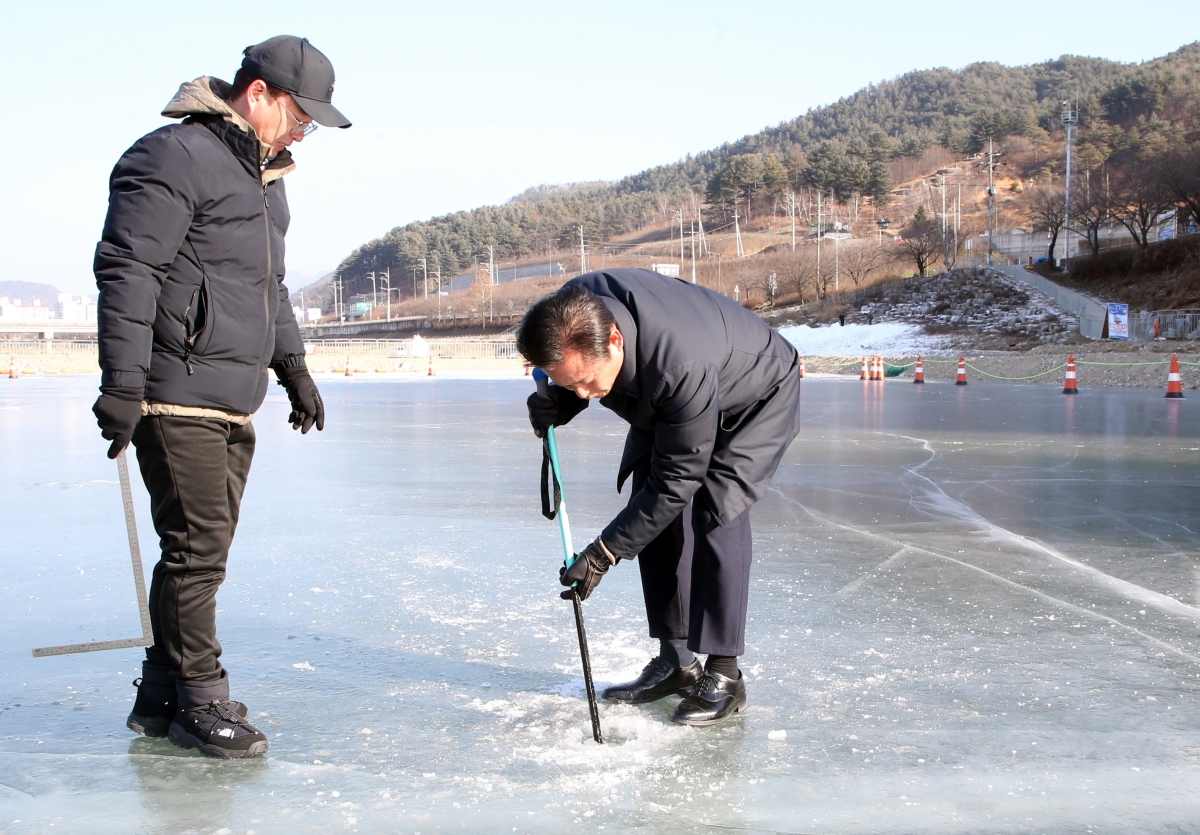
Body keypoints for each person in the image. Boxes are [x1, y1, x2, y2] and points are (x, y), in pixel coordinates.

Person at [91, 36, 350, 759]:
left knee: (194, 553)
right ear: (258, 93)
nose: (303, 134)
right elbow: (129, 269)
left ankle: (161, 693)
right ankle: (201, 700)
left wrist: (292, 365)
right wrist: (122, 383)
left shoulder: (265, 177)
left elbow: (267, 286)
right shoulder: (173, 156)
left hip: (231, 392)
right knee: (198, 553)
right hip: (176, 389)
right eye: (300, 117)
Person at [517, 269, 801, 726]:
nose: (584, 392)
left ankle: (725, 675)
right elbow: (582, 376)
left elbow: (677, 480)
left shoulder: (679, 364)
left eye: (585, 381)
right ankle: (677, 662)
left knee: (716, 511)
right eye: (570, 383)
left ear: (614, 341)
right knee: (648, 502)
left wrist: (603, 553)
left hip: (753, 393)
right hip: (675, 389)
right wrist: (560, 403)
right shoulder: (570, 314)